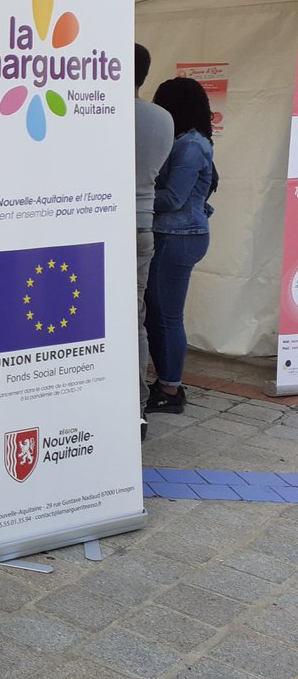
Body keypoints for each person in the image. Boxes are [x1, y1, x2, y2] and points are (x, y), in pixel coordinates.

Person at [145, 77, 218, 416]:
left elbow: (174, 198)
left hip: (179, 237)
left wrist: (132, 197)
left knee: (167, 317)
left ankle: (170, 389)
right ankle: (165, 382)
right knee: (159, 313)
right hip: (179, 234)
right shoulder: (190, 141)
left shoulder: (190, 146)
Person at [133, 44, 175, 439]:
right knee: (136, 320)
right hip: (142, 225)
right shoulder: (162, 118)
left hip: (97, 226)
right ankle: (138, 407)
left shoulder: (99, 113)